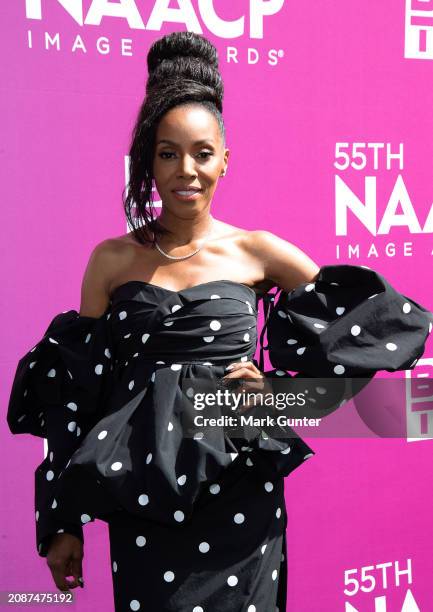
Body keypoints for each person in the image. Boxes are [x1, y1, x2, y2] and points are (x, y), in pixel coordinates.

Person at [7, 31, 433, 612]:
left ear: (225, 160)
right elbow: (76, 397)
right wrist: (62, 519)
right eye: (168, 152)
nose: (186, 170)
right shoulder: (110, 260)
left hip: (241, 489)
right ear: (146, 161)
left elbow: (376, 330)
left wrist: (281, 399)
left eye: (202, 153)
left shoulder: (258, 251)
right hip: (142, 492)